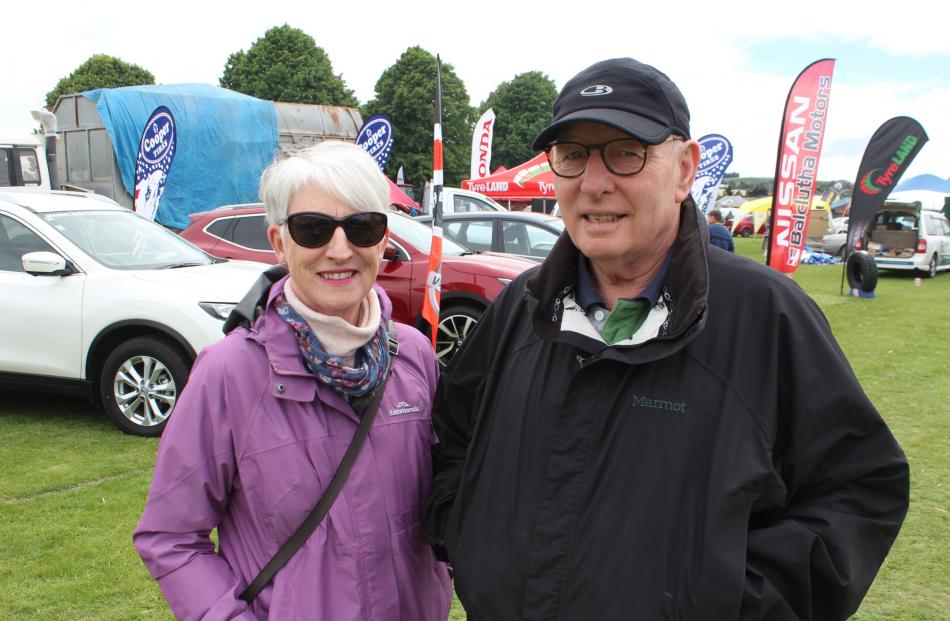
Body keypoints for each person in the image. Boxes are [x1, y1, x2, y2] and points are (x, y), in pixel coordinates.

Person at [426, 58, 908, 620]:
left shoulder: (766, 315)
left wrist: (732, 601)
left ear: (685, 169)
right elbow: (452, 440)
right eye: (574, 155)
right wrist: (469, 539)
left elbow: (860, 489)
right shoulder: (521, 307)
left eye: (625, 151)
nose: (594, 182)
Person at [135, 141, 452, 620]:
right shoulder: (228, 374)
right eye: (313, 229)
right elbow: (171, 537)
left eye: (362, 227)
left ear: (384, 239)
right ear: (280, 242)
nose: (340, 249)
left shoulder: (413, 355)